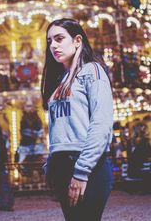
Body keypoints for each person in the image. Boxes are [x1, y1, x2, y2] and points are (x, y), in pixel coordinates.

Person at [41, 18, 114, 221]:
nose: (53, 45)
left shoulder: (92, 71)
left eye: (59, 38)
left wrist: (81, 171)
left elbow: (101, 123)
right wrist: (51, 163)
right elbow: (60, 127)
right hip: (61, 164)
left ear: (77, 40)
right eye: (49, 41)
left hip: (86, 163)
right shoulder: (59, 80)